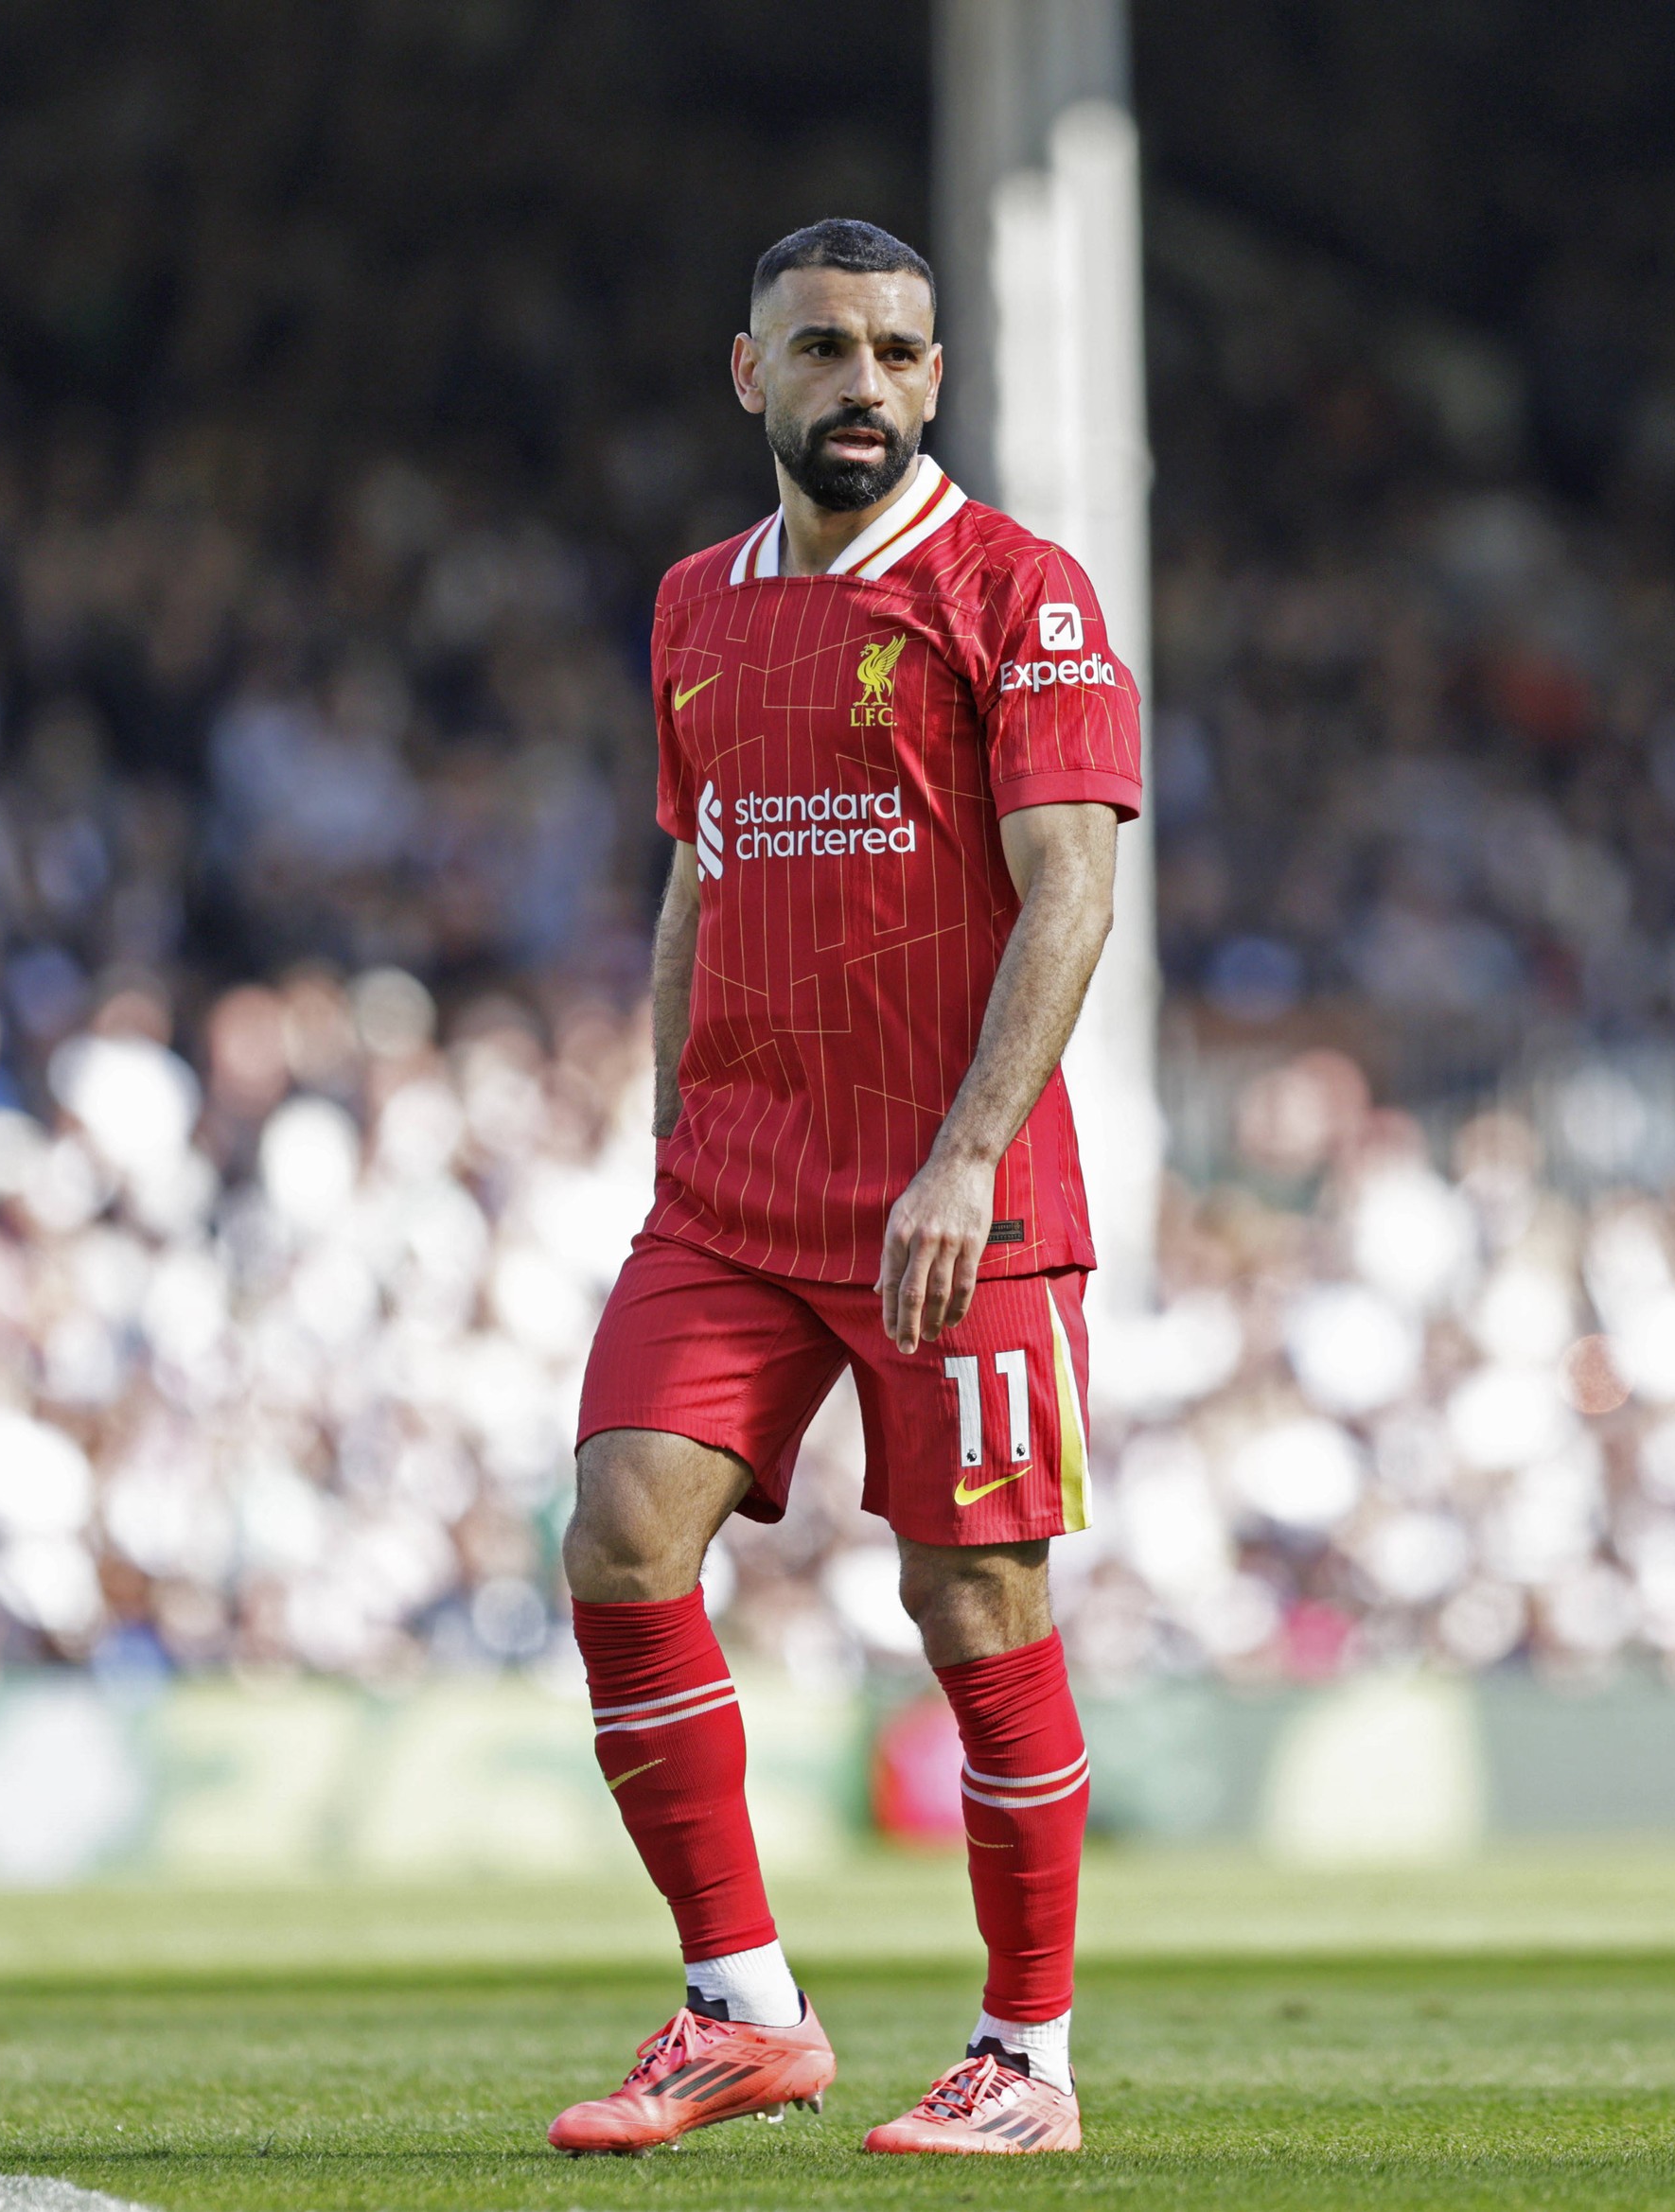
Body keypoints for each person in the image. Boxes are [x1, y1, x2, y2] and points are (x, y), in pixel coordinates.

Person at [544, 217, 1138, 2158]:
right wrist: (663, 1128)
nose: (858, 386)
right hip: (730, 1184)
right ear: (751, 376)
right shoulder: (693, 608)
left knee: (972, 1596)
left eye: (893, 352)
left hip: (951, 1187)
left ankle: (1024, 2053)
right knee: (622, 1528)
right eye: (820, 350)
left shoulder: (1016, 591)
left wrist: (965, 1149)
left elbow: (1070, 884)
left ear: (935, 378)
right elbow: (695, 870)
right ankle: (739, 2003)